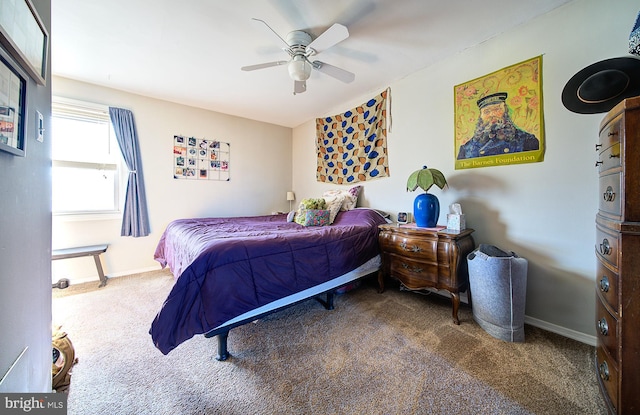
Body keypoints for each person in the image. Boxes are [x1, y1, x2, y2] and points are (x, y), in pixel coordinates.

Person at [457, 92, 540, 159]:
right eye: (486, 112)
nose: (492, 115)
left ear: (506, 112)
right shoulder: (466, 149)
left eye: (497, 109)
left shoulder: (527, 140)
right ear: (480, 117)